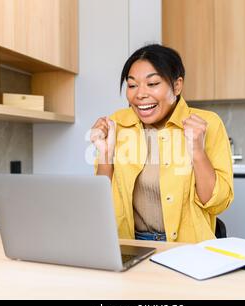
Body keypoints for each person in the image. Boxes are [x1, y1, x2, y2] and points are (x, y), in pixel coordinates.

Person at [90, 44, 233, 243]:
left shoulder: (207, 124)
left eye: (153, 83)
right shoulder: (117, 124)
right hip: (131, 243)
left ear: (177, 85)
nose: (140, 94)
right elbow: (100, 202)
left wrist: (198, 151)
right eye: (132, 85)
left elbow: (217, 204)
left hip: (188, 246)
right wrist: (105, 153)